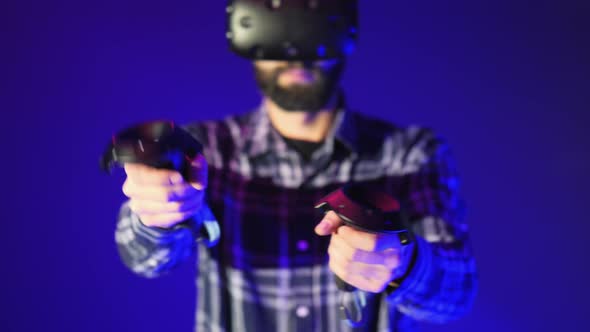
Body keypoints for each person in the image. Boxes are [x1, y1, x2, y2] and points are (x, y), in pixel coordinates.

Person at [114, 6, 477, 331]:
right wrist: (157, 215)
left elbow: (456, 294)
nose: (295, 50)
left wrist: (403, 263)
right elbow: (145, 259)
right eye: (277, 15)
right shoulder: (206, 150)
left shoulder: (410, 154)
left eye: (310, 17)